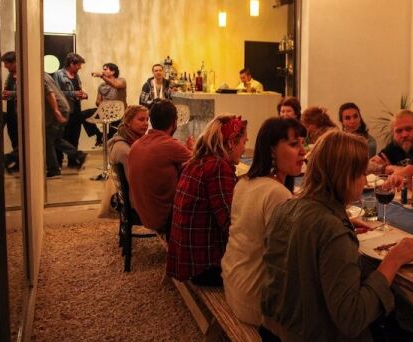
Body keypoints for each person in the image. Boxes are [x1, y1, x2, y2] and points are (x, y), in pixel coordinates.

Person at [259, 130, 413, 342]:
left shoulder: (286, 207)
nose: (365, 180)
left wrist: (341, 224)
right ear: (344, 176)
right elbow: (352, 319)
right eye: (361, 173)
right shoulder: (331, 228)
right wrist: (392, 261)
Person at [222, 117, 307, 325]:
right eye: (294, 144)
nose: (303, 152)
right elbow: (292, 260)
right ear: (271, 151)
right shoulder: (277, 193)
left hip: (233, 285)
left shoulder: (244, 182)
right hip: (255, 302)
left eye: (303, 144)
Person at [167, 115, 248, 286]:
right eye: (244, 142)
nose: (244, 149)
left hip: (187, 259)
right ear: (231, 143)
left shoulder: (199, 161)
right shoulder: (218, 167)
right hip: (205, 266)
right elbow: (230, 223)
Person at [127, 100, 193, 233]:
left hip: (144, 213)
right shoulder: (170, 145)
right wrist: (191, 149)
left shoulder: (137, 144)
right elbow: (203, 163)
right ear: (174, 123)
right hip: (163, 217)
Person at [43, 74, 87, 179]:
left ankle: (54, 170)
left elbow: (49, 93)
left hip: (58, 109)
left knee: (48, 140)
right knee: (56, 139)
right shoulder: (46, 75)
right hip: (63, 107)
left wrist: (56, 111)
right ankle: (79, 156)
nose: (6, 66)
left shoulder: (39, 76)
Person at [81, 62, 127, 147]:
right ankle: (98, 134)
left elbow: (116, 85)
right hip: (105, 111)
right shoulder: (101, 86)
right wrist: (104, 105)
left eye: (105, 69)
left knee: (112, 139)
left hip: (119, 112)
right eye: (103, 70)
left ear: (113, 72)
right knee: (83, 114)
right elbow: (98, 101)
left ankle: (109, 141)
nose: (103, 71)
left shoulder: (121, 80)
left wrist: (102, 76)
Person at [52, 52, 87, 161]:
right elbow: (56, 92)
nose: (80, 67)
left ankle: (73, 160)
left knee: (75, 135)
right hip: (65, 110)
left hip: (76, 108)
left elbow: (78, 89)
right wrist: (73, 93)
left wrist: (83, 94)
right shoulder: (58, 74)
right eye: (78, 65)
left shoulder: (76, 75)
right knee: (62, 136)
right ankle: (58, 161)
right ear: (71, 63)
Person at [1, 51, 19, 173]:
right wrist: (5, 94)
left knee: (20, 138)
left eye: (6, 63)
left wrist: (11, 94)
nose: (5, 66)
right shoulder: (10, 75)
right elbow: (6, 90)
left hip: (20, 112)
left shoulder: (24, 74)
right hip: (11, 111)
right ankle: (18, 163)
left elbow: (27, 91)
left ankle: (17, 161)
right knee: (13, 136)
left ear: (14, 63)